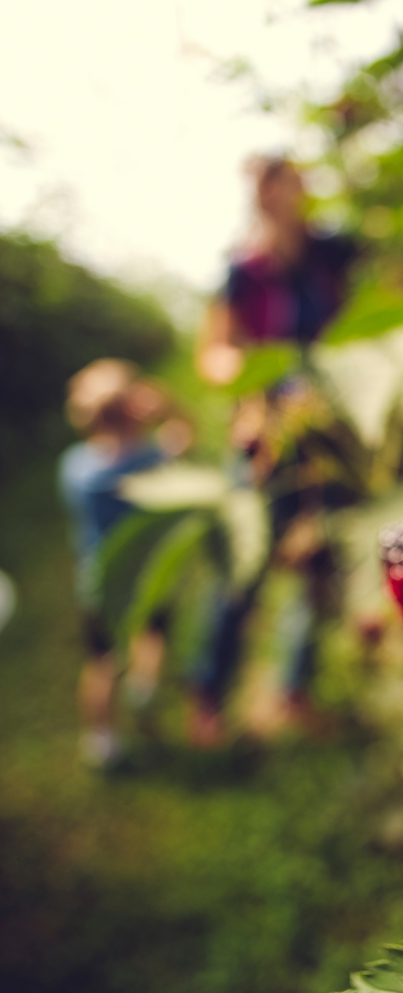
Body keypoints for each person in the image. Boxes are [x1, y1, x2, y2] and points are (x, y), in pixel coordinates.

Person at [191, 156, 356, 742]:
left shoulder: (333, 253)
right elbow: (213, 352)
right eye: (261, 188)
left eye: (280, 182)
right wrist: (250, 381)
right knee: (244, 563)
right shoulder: (244, 270)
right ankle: (210, 695)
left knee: (320, 559)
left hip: (333, 434)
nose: (273, 196)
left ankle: (293, 689)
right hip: (268, 438)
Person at [58, 359, 190, 767]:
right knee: (153, 635)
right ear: (133, 409)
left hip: (97, 580)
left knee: (100, 662)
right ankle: (144, 686)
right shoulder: (147, 462)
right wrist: (167, 407)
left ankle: (102, 741)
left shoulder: (75, 466)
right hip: (150, 575)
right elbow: (185, 435)